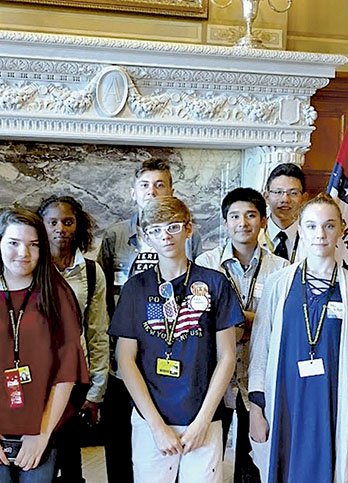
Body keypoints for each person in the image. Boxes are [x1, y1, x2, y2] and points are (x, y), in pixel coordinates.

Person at [109, 195, 241, 483]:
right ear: (145, 236)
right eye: (155, 230)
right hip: (150, 418)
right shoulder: (136, 288)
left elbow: (227, 356)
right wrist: (157, 426)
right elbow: (125, 359)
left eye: (173, 227)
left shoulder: (215, 283)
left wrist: (203, 420)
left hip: (202, 416)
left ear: (188, 229)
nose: (165, 236)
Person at [0, 207, 89, 482]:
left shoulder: (57, 292)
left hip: (39, 432)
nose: (23, 253)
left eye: (33, 245)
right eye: (14, 243)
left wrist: (42, 433)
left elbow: (68, 369)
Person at [97, 158, 202, 483]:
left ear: (171, 191)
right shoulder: (115, 236)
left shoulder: (188, 238)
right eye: (145, 185)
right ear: (134, 192)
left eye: (160, 185)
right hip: (125, 354)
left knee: (161, 444)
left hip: (171, 355)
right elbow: (102, 296)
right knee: (118, 442)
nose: (152, 191)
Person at [248, 193, 348, 483]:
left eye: (329, 226)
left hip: (332, 401)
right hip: (286, 401)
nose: (321, 234)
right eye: (312, 226)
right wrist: (257, 409)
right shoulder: (279, 284)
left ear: (341, 229)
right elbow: (260, 350)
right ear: (301, 229)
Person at [195, 188, 287, 483]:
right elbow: (202, 322)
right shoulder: (204, 265)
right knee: (207, 461)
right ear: (225, 222)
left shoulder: (282, 269)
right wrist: (253, 322)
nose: (243, 223)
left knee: (253, 464)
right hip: (214, 380)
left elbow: (279, 326)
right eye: (234, 216)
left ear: (263, 221)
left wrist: (235, 321)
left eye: (251, 215)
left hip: (259, 380)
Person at [38, 195, 110, 483]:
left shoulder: (92, 272)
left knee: (70, 458)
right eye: (52, 222)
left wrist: (96, 389)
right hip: (36, 375)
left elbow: (97, 332)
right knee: (39, 453)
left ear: (78, 226)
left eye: (67, 222)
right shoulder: (30, 267)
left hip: (75, 376)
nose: (60, 229)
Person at [259, 163, 308, 263]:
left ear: (304, 198)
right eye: (278, 192)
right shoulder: (254, 235)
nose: (285, 199)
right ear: (266, 197)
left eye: (293, 193)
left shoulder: (312, 238)